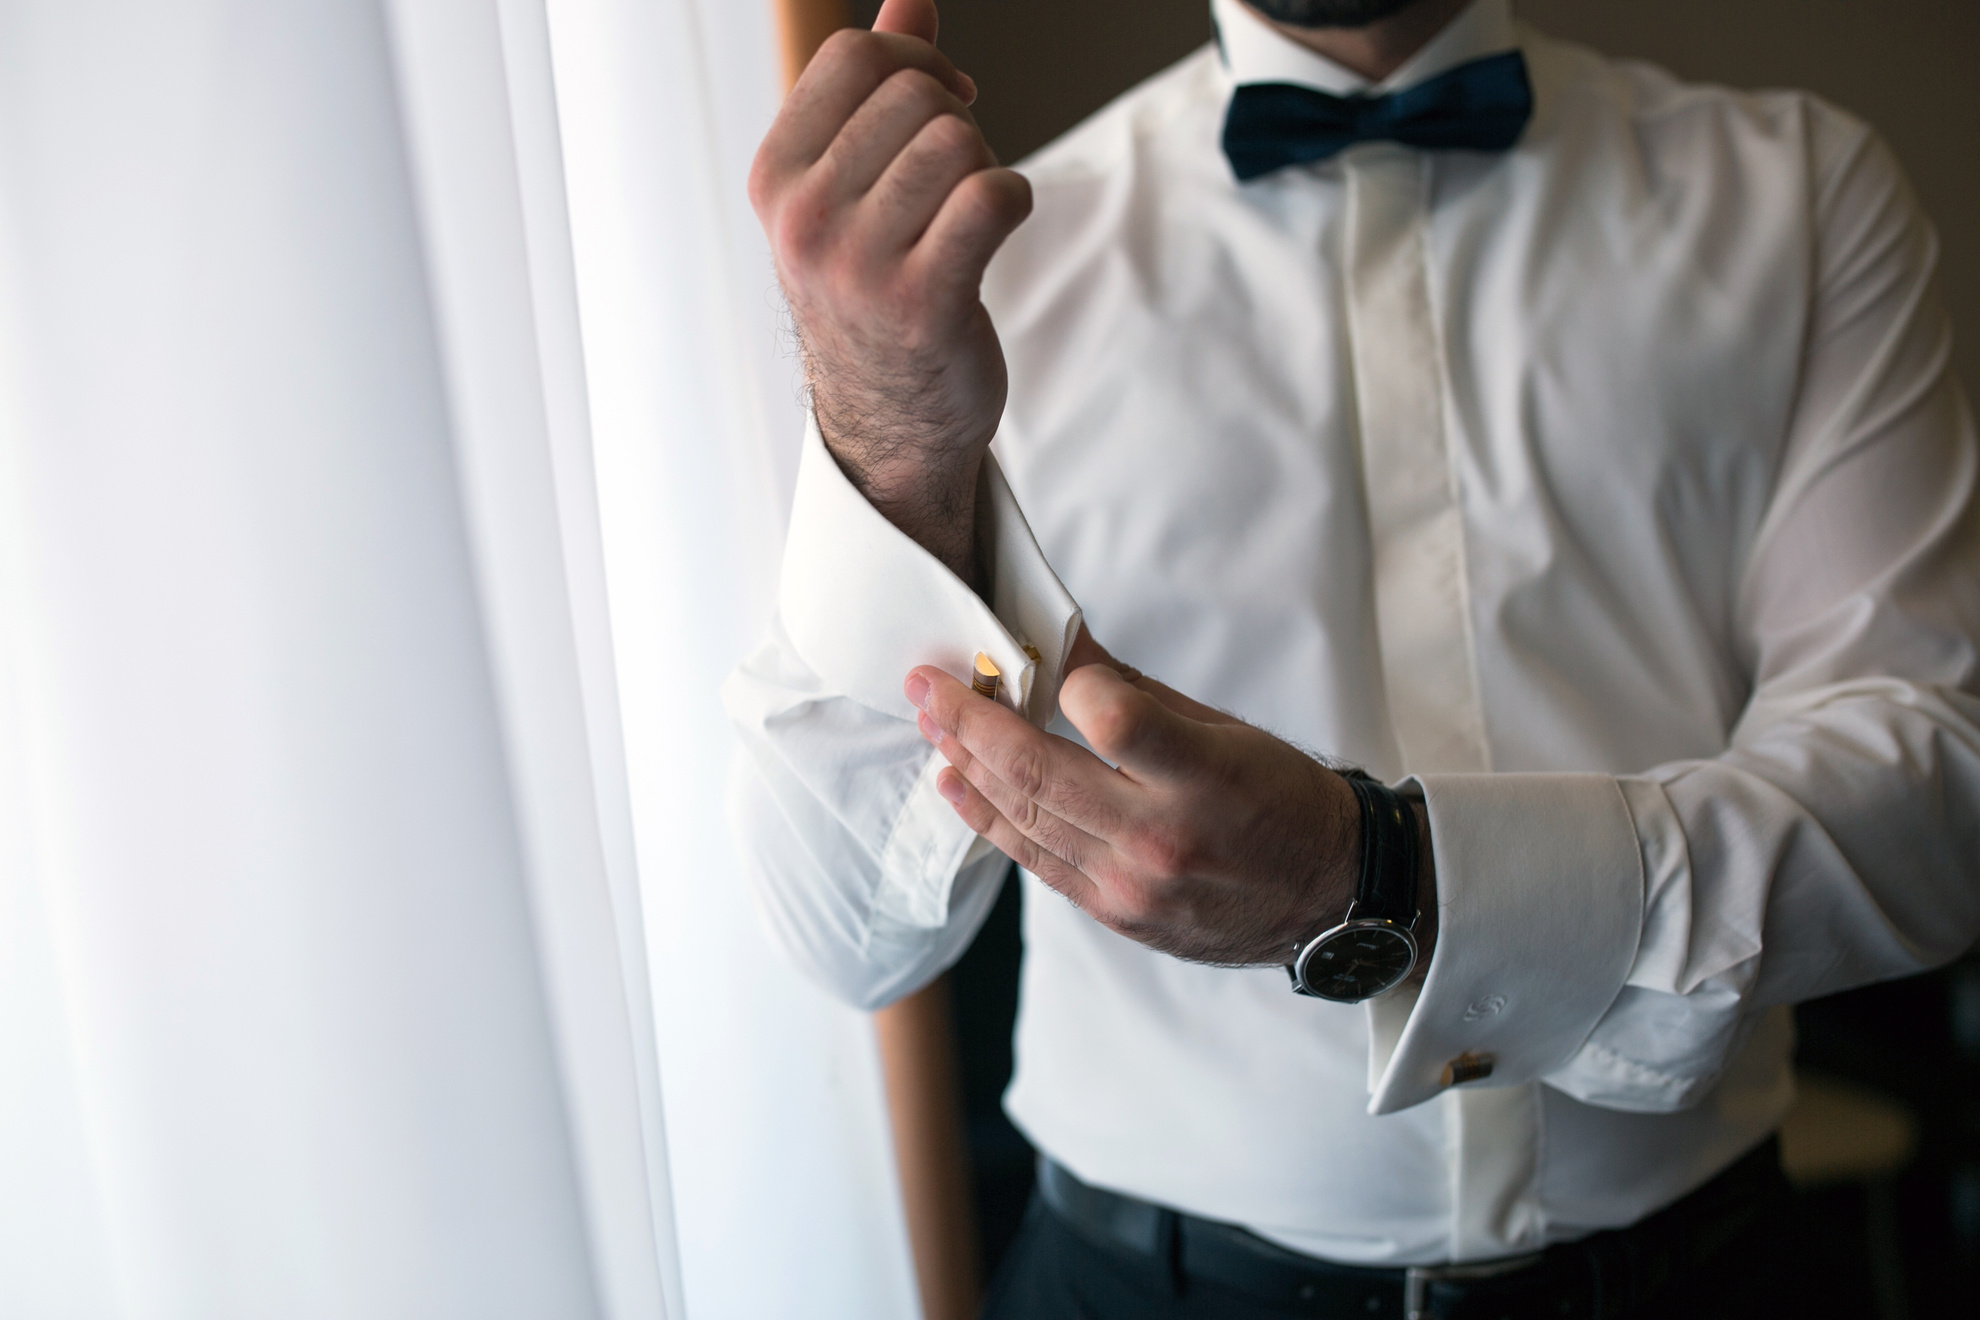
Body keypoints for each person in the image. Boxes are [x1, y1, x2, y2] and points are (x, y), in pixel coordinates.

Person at [726, 0, 1980, 1314]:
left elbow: (1934, 799)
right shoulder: (956, 286)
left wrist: (1380, 876)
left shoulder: (1802, 198)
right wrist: (889, 436)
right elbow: (844, 936)